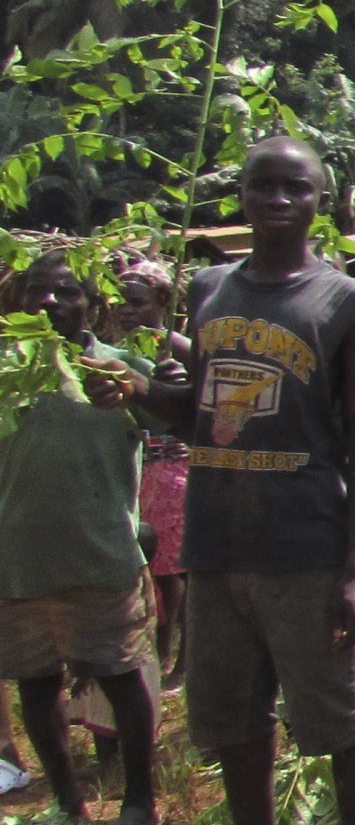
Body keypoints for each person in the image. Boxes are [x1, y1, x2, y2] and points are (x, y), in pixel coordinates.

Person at [117, 136, 355, 825]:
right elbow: (200, 412)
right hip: (215, 543)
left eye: (294, 187)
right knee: (233, 718)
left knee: (342, 720)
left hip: (304, 544)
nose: (277, 200)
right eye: (262, 186)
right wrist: (134, 391)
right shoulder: (206, 290)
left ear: (321, 200)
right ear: (240, 195)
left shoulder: (349, 303)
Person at [0, 251, 160, 825]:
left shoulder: (119, 369)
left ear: (92, 306)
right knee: (36, 685)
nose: (49, 304)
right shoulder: (5, 370)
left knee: (120, 679)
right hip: (18, 562)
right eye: (37, 293)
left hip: (103, 558)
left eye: (65, 293)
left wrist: (134, 389)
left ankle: (140, 802)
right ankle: (69, 803)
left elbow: (173, 419)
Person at [114, 259, 192, 682]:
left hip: (176, 470)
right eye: (120, 302)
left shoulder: (173, 346)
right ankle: (161, 650)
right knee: (156, 565)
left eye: (136, 302)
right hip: (145, 470)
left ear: (162, 301)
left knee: (174, 568)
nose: (126, 310)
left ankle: (177, 656)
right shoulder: (121, 348)